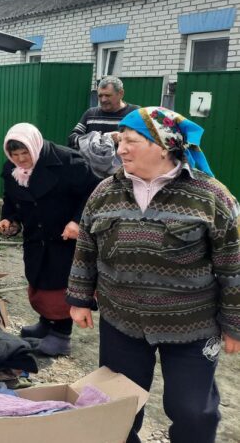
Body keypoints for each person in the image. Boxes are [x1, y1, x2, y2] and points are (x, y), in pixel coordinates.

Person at [67, 107, 240, 443]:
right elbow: (86, 248)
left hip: (191, 326)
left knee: (193, 411)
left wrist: (234, 324)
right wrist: (79, 299)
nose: (120, 149)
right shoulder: (104, 192)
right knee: (118, 406)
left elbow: (233, 265)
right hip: (122, 321)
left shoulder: (211, 197)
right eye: (119, 141)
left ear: (163, 145)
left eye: (130, 141)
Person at [0, 123, 98, 356]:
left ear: (35, 146)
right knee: (40, 279)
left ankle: (61, 336)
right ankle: (46, 324)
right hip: (36, 236)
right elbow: (10, 198)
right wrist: (9, 218)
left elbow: (94, 192)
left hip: (64, 237)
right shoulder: (12, 169)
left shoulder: (68, 162)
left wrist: (77, 221)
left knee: (61, 285)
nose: (21, 159)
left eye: (25, 153)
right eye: (15, 155)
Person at [67, 76, 138, 149]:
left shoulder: (135, 114)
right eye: (100, 96)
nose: (103, 100)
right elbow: (72, 139)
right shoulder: (90, 114)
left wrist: (121, 137)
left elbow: (144, 139)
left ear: (121, 93)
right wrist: (99, 139)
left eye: (107, 95)